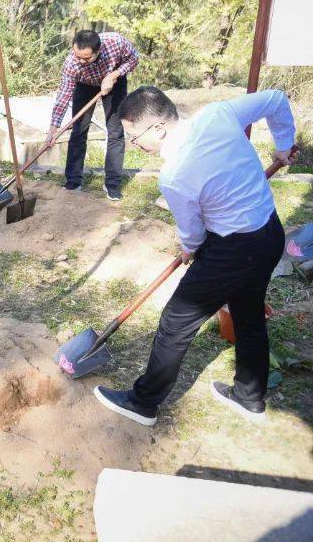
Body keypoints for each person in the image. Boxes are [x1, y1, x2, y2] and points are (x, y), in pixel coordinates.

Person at [93, 87, 297, 427]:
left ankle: (143, 403)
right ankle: (249, 397)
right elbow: (276, 99)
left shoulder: (174, 175)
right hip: (269, 232)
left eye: (133, 136)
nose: (133, 144)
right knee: (247, 313)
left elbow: (194, 236)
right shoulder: (217, 114)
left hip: (234, 249)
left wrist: (188, 248)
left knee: (176, 322)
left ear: (158, 128)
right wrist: (283, 143)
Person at [45, 30, 140, 201]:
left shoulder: (115, 42)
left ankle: (112, 184)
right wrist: (52, 129)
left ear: (98, 51)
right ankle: (73, 181)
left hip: (114, 82)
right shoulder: (72, 63)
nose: (80, 61)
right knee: (78, 131)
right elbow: (63, 96)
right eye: (77, 56)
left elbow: (134, 58)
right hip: (85, 84)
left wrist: (114, 75)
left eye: (86, 58)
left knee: (115, 132)